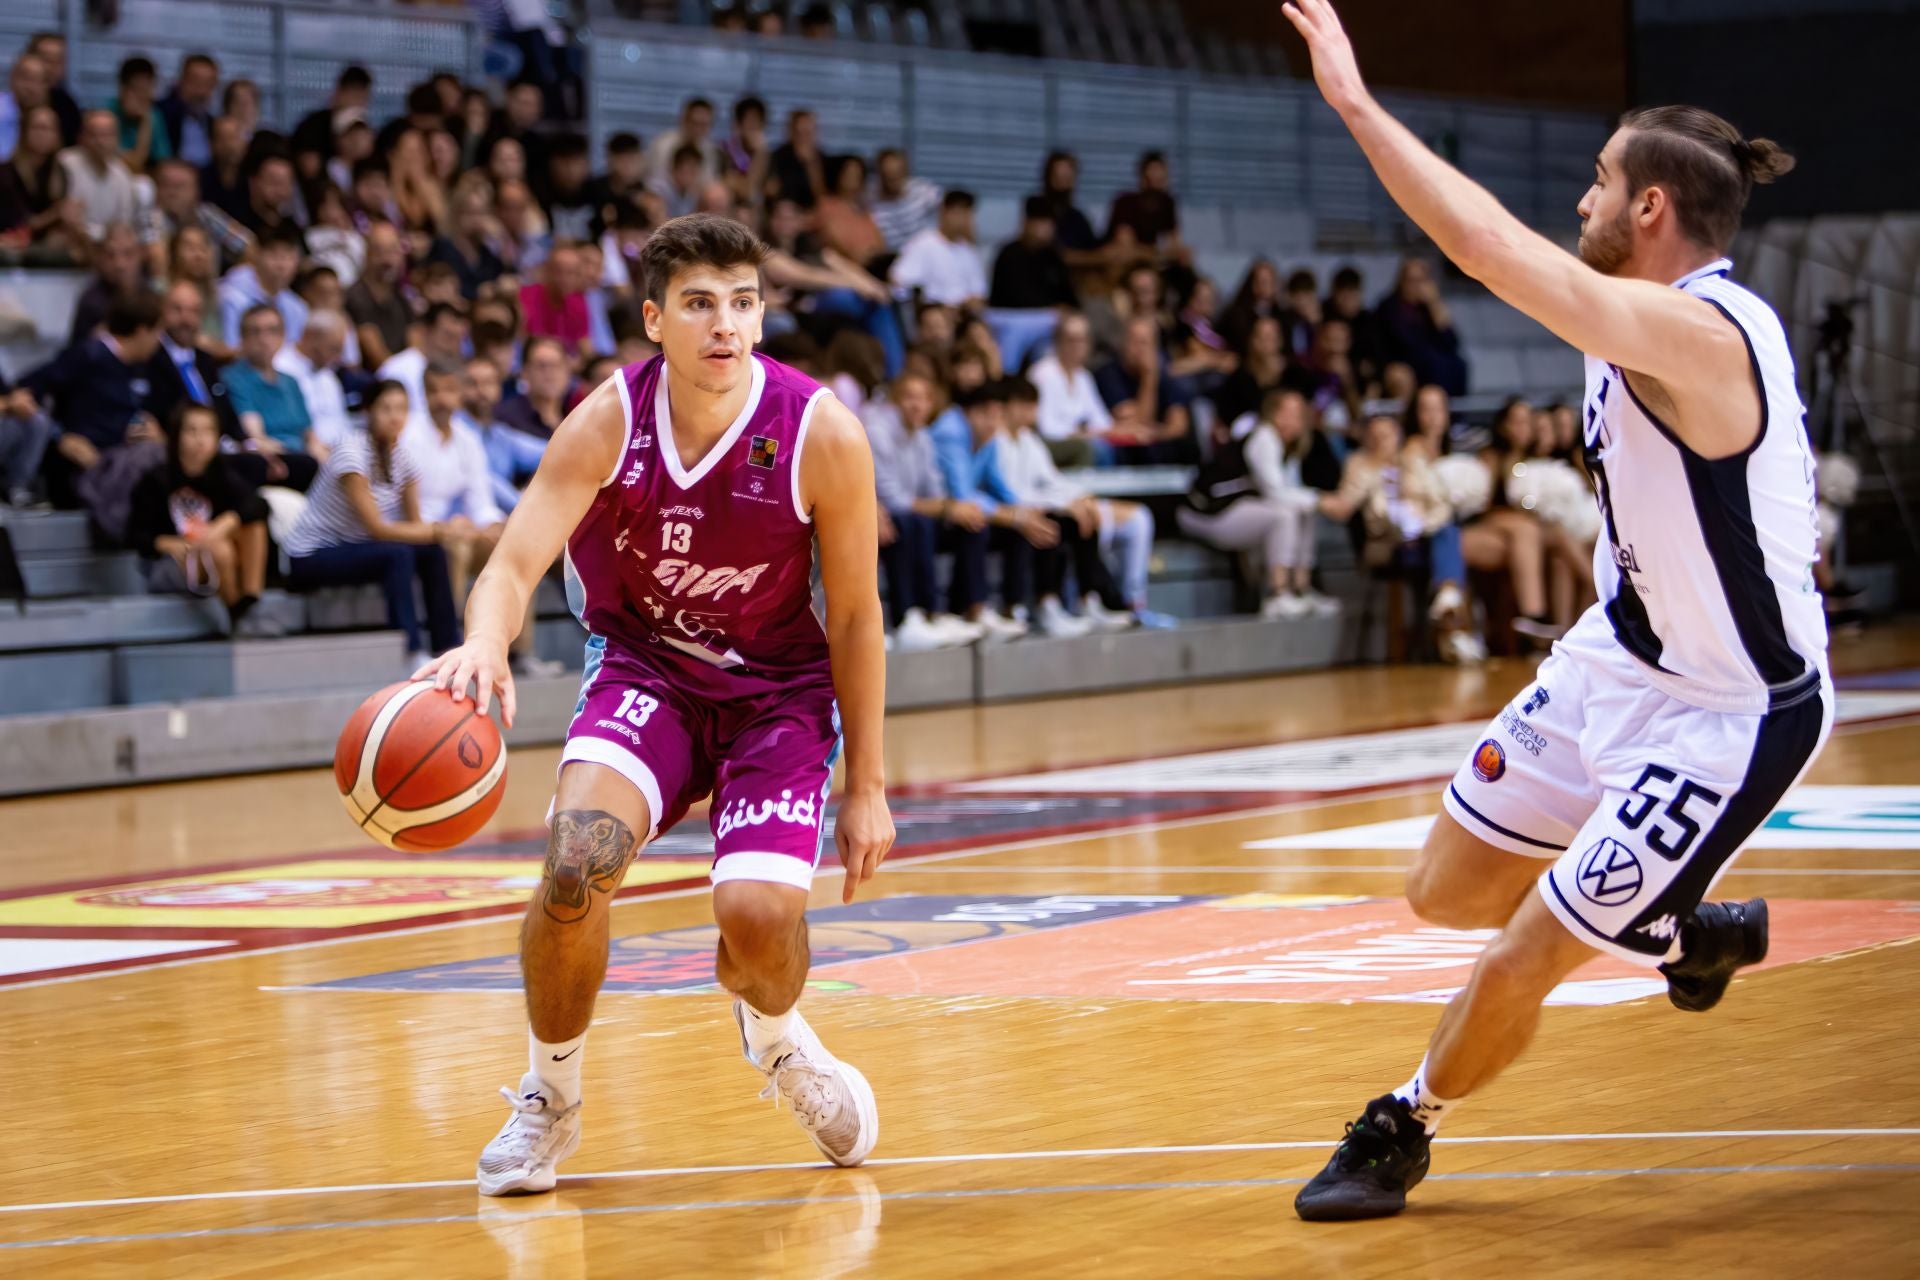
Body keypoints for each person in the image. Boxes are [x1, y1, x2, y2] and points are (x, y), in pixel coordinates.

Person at [1282, 0, 1827, 1221]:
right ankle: (1687, 934)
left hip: (1726, 712)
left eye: (1596, 181)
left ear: (1651, 210)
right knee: (1444, 888)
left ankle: (1400, 1123)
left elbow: (1484, 246)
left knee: (1531, 942)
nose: (1578, 202)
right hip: (1616, 656)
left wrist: (1358, 104)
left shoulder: (1690, 329)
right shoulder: (1624, 302)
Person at [410, 213, 892, 1194]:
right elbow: (511, 562)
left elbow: (853, 614)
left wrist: (869, 784)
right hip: (648, 672)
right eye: (700, 304)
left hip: (776, 695)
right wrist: (481, 640)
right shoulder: (608, 420)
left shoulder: (821, 431)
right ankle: (550, 1095)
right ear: (653, 319)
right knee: (574, 861)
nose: (726, 323)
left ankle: (777, 1031)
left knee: (757, 921)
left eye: (744, 302)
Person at [282, 378, 461, 664]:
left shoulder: (403, 458)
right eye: (386, 408)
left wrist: (441, 533)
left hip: (357, 547)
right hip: (312, 554)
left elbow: (415, 529)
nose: (394, 416)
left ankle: (448, 647)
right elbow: (377, 528)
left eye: (401, 409)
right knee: (397, 554)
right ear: (368, 412)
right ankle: (410, 651)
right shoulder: (350, 452)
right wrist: (440, 529)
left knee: (432, 553)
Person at [1000, 376, 1154, 631]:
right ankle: (1046, 604)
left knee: (1083, 517)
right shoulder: (999, 441)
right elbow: (1013, 491)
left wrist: (1081, 498)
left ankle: (1089, 600)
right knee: (1053, 522)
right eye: (1026, 405)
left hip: (1035, 506)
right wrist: (1062, 504)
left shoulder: (1028, 439)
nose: (1031, 413)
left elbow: (1051, 478)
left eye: (1033, 406)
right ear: (1009, 406)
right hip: (1014, 512)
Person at [1180, 388, 1339, 619]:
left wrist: (1317, 501)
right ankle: (1277, 593)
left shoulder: (1290, 448)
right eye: (1291, 412)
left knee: (1304, 510)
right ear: (1274, 414)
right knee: (1285, 515)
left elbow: (1293, 493)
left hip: (1233, 507)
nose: (1298, 419)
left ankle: (1301, 587)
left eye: (1300, 413)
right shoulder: (1264, 437)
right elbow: (1275, 493)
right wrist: (1321, 500)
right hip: (1205, 511)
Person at [861, 371, 988, 650]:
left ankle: (961, 611)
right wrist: (946, 507)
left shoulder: (922, 436)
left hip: (910, 516)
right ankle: (909, 617)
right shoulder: (878, 432)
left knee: (971, 521)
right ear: (896, 401)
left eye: (923, 399)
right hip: (873, 516)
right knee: (913, 523)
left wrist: (952, 508)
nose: (917, 405)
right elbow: (893, 498)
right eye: (909, 398)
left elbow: (935, 490)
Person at [126, 402, 277, 634]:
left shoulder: (222, 473)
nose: (201, 440)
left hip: (213, 552)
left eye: (208, 431)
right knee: (218, 548)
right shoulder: (155, 480)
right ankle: (237, 613)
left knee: (249, 526)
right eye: (192, 431)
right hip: (170, 562)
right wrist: (166, 542)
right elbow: (133, 534)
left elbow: (258, 505)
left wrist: (223, 524)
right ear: (176, 436)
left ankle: (250, 602)